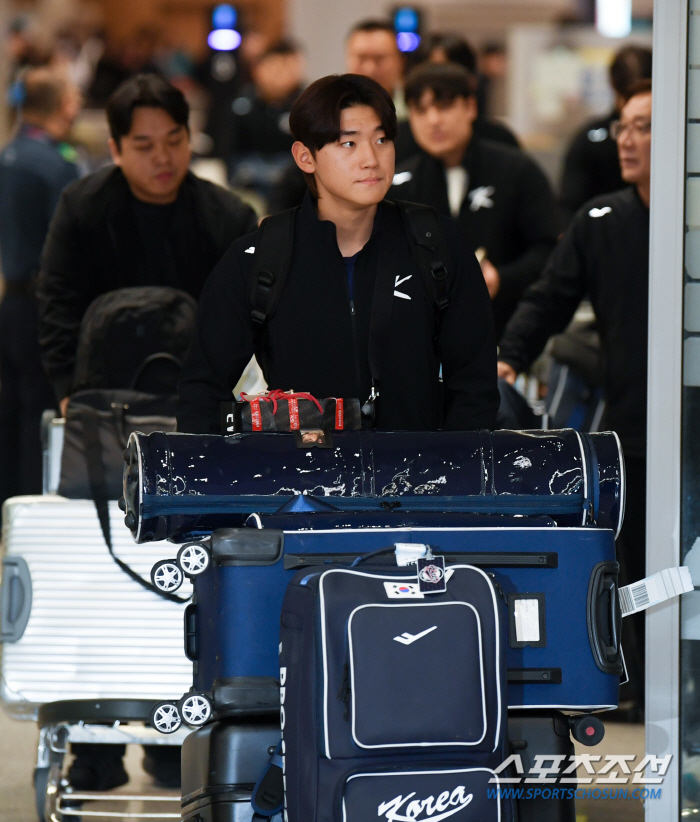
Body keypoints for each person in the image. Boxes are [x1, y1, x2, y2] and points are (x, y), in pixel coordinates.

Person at [177, 74, 499, 435]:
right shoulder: (259, 257)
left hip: (417, 478)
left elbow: (475, 384)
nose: (371, 159)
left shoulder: (433, 244)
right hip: (300, 481)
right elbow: (200, 392)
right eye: (348, 144)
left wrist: (449, 475)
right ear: (305, 157)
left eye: (382, 139)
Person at [498, 80, 653, 721]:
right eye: (622, 125)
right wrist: (507, 357)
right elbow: (547, 298)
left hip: (689, 422)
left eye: (644, 126)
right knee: (635, 558)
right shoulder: (602, 221)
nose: (626, 137)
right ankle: (642, 684)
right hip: (637, 427)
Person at [38, 73, 258, 417]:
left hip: (199, 399)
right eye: (144, 146)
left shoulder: (229, 217)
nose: (162, 158)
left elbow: (246, 319)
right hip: (101, 396)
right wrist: (68, 393)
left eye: (174, 140)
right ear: (116, 150)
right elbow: (58, 305)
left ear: (190, 137)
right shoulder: (82, 208)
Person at [389, 62, 558, 340]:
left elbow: (548, 249)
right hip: (420, 339)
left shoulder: (515, 170)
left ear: (470, 107)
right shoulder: (397, 184)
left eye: (443, 106)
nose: (433, 120)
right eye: (420, 110)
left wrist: (502, 279)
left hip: (504, 330)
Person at [0, 68, 81, 514]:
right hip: (40, 305)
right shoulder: (57, 165)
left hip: (10, 299)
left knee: (9, 410)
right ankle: (32, 507)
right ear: (65, 107)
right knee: (39, 414)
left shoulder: (8, 155)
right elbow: (69, 244)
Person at [559, 45, 652, 224]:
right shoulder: (590, 140)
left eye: (643, 127)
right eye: (622, 128)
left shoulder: (676, 137)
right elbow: (569, 208)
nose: (625, 142)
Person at [225, 41, 305, 201]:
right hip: (249, 186)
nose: (279, 75)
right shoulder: (242, 104)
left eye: (285, 68)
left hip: (294, 189)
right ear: (258, 69)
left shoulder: (307, 104)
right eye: (273, 68)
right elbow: (229, 152)